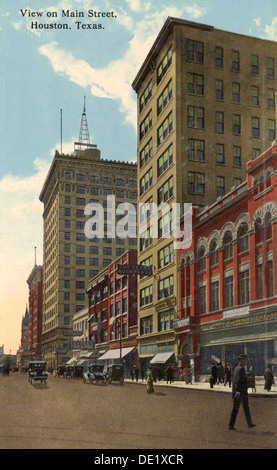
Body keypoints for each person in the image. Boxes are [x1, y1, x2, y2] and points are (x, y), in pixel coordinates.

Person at [229, 354, 256, 430]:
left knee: (242, 408)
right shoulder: (241, 369)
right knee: (238, 409)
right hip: (240, 393)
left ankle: (249, 423)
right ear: (240, 360)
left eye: (246, 360)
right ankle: (232, 425)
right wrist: (237, 391)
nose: (245, 361)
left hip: (240, 392)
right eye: (244, 360)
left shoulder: (237, 368)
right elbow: (238, 381)